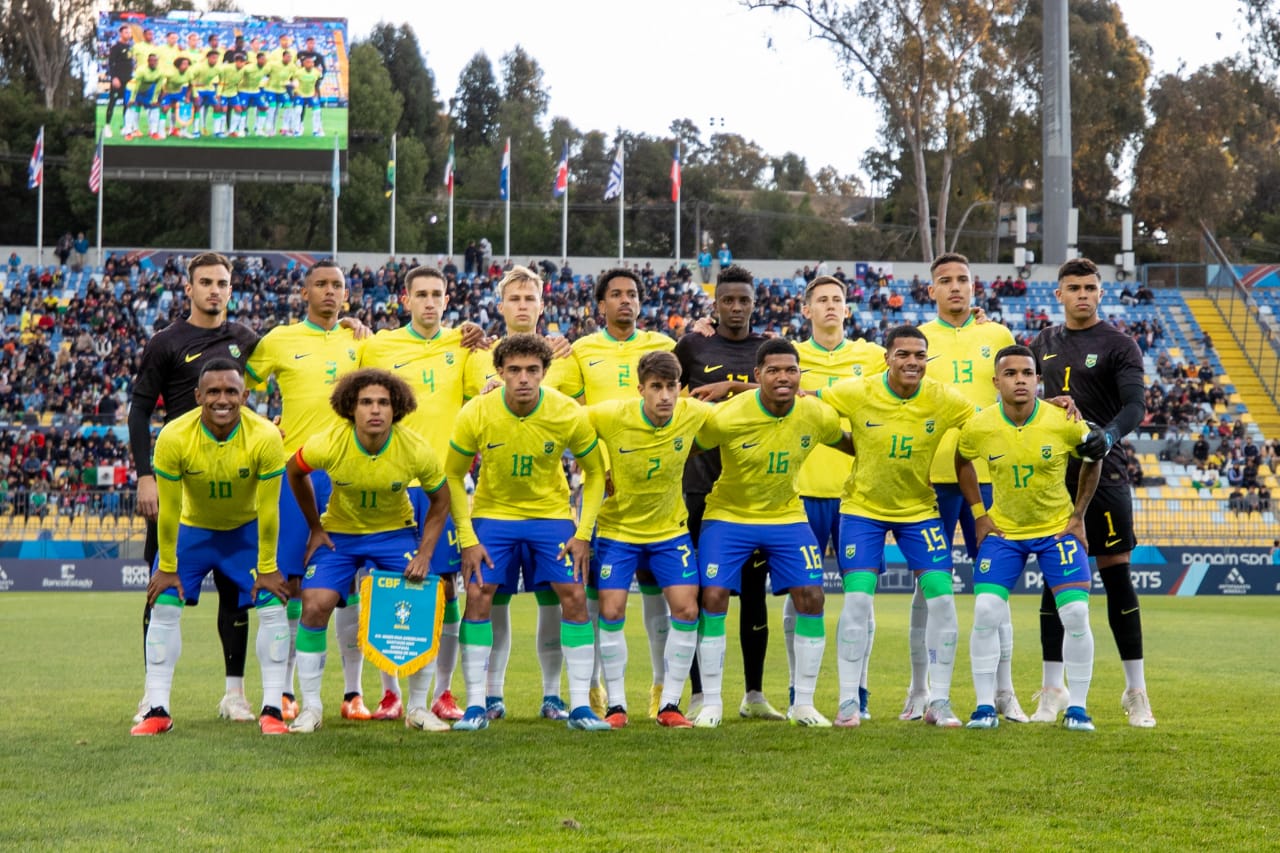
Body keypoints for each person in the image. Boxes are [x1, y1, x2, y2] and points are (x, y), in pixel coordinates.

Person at [445, 334, 609, 732]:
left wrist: (583, 532)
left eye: (532, 370)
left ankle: (578, 705)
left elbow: (595, 473)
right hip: (493, 516)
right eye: (514, 370)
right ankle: (475, 705)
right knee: (480, 596)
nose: (523, 378)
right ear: (499, 372)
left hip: (550, 517)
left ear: (544, 373)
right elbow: (451, 473)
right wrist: (467, 537)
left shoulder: (567, 412)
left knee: (573, 596)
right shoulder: (476, 412)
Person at [818, 324, 976, 728]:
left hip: (919, 511)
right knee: (856, 602)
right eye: (903, 354)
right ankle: (849, 701)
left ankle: (938, 701)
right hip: (861, 510)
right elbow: (802, 402)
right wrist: (735, 390)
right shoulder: (858, 390)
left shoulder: (942, 399)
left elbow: (993, 419)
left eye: (919, 355)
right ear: (887, 357)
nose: (912, 362)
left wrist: (1050, 406)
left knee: (942, 600)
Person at [129, 251, 261, 725]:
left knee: (236, 593)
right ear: (189, 288)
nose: (214, 290)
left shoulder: (246, 340)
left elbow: (291, 367)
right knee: (161, 587)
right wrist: (145, 473)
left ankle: (235, 695)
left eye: (222, 283)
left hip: (234, 485)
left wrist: (352, 326)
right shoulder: (167, 342)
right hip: (176, 480)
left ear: (231, 288)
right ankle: (152, 696)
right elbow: (139, 410)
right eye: (205, 282)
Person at [692, 338, 849, 728]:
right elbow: (683, 448)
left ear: (800, 375)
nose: (784, 377)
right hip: (729, 515)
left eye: (791, 370)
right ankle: (711, 703)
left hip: (786, 516)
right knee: (712, 597)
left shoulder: (817, 415)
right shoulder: (728, 415)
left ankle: (804, 704)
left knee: (812, 597)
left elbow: (850, 443)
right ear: (757, 375)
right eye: (774, 370)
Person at [284, 369, 452, 734]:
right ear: (350, 408)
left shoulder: (415, 448)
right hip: (340, 535)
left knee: (422, 605)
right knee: (313, 604)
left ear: (397, 409)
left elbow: (441, 500)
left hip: (395, 534)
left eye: (383, 403)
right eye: (366, 403)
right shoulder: (329, 443)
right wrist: (315, 526)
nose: (375, 410)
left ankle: (419, 708)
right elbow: (294, 472)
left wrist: (424, 553)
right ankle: (311, 708)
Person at [130, 359, 292, 736]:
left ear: (245, 396)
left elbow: (270, 510)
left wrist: (268, 566)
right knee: (164, 603)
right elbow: (168, 510)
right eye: (214, 392)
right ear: (198, 395)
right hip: (193, 530)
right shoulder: (173, 436)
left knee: (272, 603)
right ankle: (157, 708)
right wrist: (166, 565)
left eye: (231, 391)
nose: (223, 399)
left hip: (246, 532)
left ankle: (272, 710)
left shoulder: (266, 436)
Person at [246, 260, 374, 722]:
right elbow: (238, 386)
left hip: (349, 476)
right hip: (295, 474)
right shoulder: (279, 341)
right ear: (304, 292)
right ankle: (281, 692)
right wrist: (264, 428)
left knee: (352, 583)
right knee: (289, 583)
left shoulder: (359, 342)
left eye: (337, 285)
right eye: (320, 284)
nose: (329, 292)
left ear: (347, 293)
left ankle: (353, 693)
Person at [1030, 257, 1156, 728]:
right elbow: (1019, 392)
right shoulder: (1042, 342)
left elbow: (1135, 406)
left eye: (1089, 287)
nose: (1082, 294)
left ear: (1100, 293)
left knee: (1116, 575)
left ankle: (1136, 691)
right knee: (1054, 579)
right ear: (1058, 294)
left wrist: (1107, 434)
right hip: (1049, 475)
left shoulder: (1119, 344)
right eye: (1073, 287)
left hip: (1106, 474)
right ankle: (1052, 688)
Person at [954, 345, 1102, 731]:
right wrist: (978, 515)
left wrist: (1079, 515)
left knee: (1076, 614)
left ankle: (1078, 709)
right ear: (996, 381)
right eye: (1010, 373)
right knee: (986, 611)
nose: (1019, 379)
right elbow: (961, 459)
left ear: (1039, 379)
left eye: (1027, 373)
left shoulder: (1063, 419)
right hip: (1004, 533)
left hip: (1056, 531)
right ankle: (985, 707)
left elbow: (1094, 455)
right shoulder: (980, 425)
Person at [359, 265, 477, 722]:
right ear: (405, 300)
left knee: (446, 588)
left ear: (447, 300)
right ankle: (389, 692)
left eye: (437, 294)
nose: (430, 302)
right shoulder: (379, 345)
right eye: (421, 294)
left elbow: (484, 391)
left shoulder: (463, 346)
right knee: (383, 584)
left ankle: (443, 693)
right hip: (390, 480)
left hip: (442, 485)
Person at [914, 252, 1026, 723]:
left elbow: (1018, 391)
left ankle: (1005, 691)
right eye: (946, 280)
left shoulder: (998, 335)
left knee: (994, 588)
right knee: (927, 588)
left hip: (991, 477)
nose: (956, 287)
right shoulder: (918, 339)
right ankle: (919, 690)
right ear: (932, 291)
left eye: (963, 279)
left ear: (974, 287)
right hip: (932, 476)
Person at [461, 265, 576, 723]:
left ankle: (553, 694)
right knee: (495, 598)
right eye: (515, 299)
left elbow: (578, 414)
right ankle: (492, 693)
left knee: (555, 598)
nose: (523, 305)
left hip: (550, 502)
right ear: (501, 305)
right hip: (495, 503)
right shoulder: (477, 354)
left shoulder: (568, 355)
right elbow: (479, 408)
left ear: (542, 305)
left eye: (531, 298)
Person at [563, 267, 677, 719]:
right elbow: (567, 410)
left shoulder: (663, 347)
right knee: (598, 598)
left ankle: (659, 689)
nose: (625, 301)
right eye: (616, 294)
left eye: (632, 294)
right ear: (601, 305)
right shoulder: (581, 350)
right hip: (602, 491)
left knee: (657, 598)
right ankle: (594, 689)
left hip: (655, 494)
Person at [674, 264, 783, 721]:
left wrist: (731, 386)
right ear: (714, 304)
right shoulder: (692, 345)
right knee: (705, 592)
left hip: (756, 491)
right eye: (728, 300)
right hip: (700, 485)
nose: (736, 308)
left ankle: (754, 693)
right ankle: (701, 694)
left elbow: (786, 394)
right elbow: (666, 393)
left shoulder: (767, 349)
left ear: (755, 304)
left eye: (744, 300)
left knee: (755, 593)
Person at [586, 351, 712, 728]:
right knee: (610, 612)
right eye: (656, 387)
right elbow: (562, 420)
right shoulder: (611, 416)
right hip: (618, 532)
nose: (665, 396)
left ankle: (670, 704)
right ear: (640, 389)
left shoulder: (692, 413)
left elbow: (748, 412)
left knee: (687, 610)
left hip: (669, 532)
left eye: (671, 387)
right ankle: (617, 707)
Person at [794, 275, 885, 723]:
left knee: (859, 600)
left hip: (856, 495)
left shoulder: (869, 356)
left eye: (837, 300)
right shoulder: (791, 356)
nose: (830, 306)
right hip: (802, 491)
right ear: (806, 309)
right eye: (822, 300)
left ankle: (860, 691)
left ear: (847, 310)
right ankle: (798, 691)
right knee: (800, 597)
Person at [103, 24, 135, 139]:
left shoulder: (131, 47)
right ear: (121, 33)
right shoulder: (116, 47)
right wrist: (114, 77)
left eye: (130, 32)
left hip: (129, 80)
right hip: (118, 79)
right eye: (126, 32)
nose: (129, 34)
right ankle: (107, 126)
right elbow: (111, 63)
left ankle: (125, 126)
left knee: (127, 104)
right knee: (113, 102)